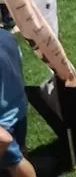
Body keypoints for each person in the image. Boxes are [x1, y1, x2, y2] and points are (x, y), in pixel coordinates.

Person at [0, 28, 37, 177]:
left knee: (15, 161)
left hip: (3, 122)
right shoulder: (6, 36)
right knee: (19, 150)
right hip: (18, 107)